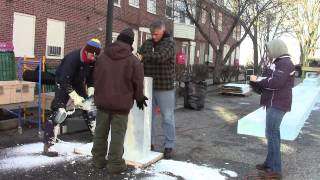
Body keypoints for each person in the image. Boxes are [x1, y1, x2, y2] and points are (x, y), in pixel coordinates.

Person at [91, 28, 147, 174]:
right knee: (117, 135)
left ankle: (98, 160)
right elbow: (138, 83)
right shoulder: (134, 61)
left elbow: (96, 78)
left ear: (118, 39)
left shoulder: (102, 57)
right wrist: (139, 98)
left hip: (102, 102)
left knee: (100, 133)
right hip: (121, 106)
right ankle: (115, 164)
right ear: (130, 43)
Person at [43, 38, 102, 157]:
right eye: (91, 54)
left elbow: (91, 79)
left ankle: (97, 139)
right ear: (86, 51)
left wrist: (90, 92)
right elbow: (64, 80)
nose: (93, 58)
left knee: (89, 107)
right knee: (59, 111)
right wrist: (74, 97)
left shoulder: (93, 60)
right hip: (63, 81)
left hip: (78, 82)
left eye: (95, 55)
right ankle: (48, 145)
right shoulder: (72, 59)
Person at [250, 39, 295, 179]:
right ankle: (270, 164)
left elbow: (276, 83)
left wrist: (258, 80)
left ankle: (275, 170)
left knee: (271, 134)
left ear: (277, 49)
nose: (268, 53)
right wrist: (255, 84)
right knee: (273, 134)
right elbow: (268, 82)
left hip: (278, 104)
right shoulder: (279, 63)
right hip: (274, 102)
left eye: (269, 50)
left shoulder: (285, 63)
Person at [137, 20, 176, 159]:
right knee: (148, 117)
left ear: (163, 31)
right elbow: (138, 56)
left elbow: (161, 57)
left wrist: (144, 57)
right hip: (148, 86)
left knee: (167, 117)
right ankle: (149, 143)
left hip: (165, 86)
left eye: (157, 34)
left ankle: (169, 145)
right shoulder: (147, 43)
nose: (154, 37)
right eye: (152, 34)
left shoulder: (169, 43)